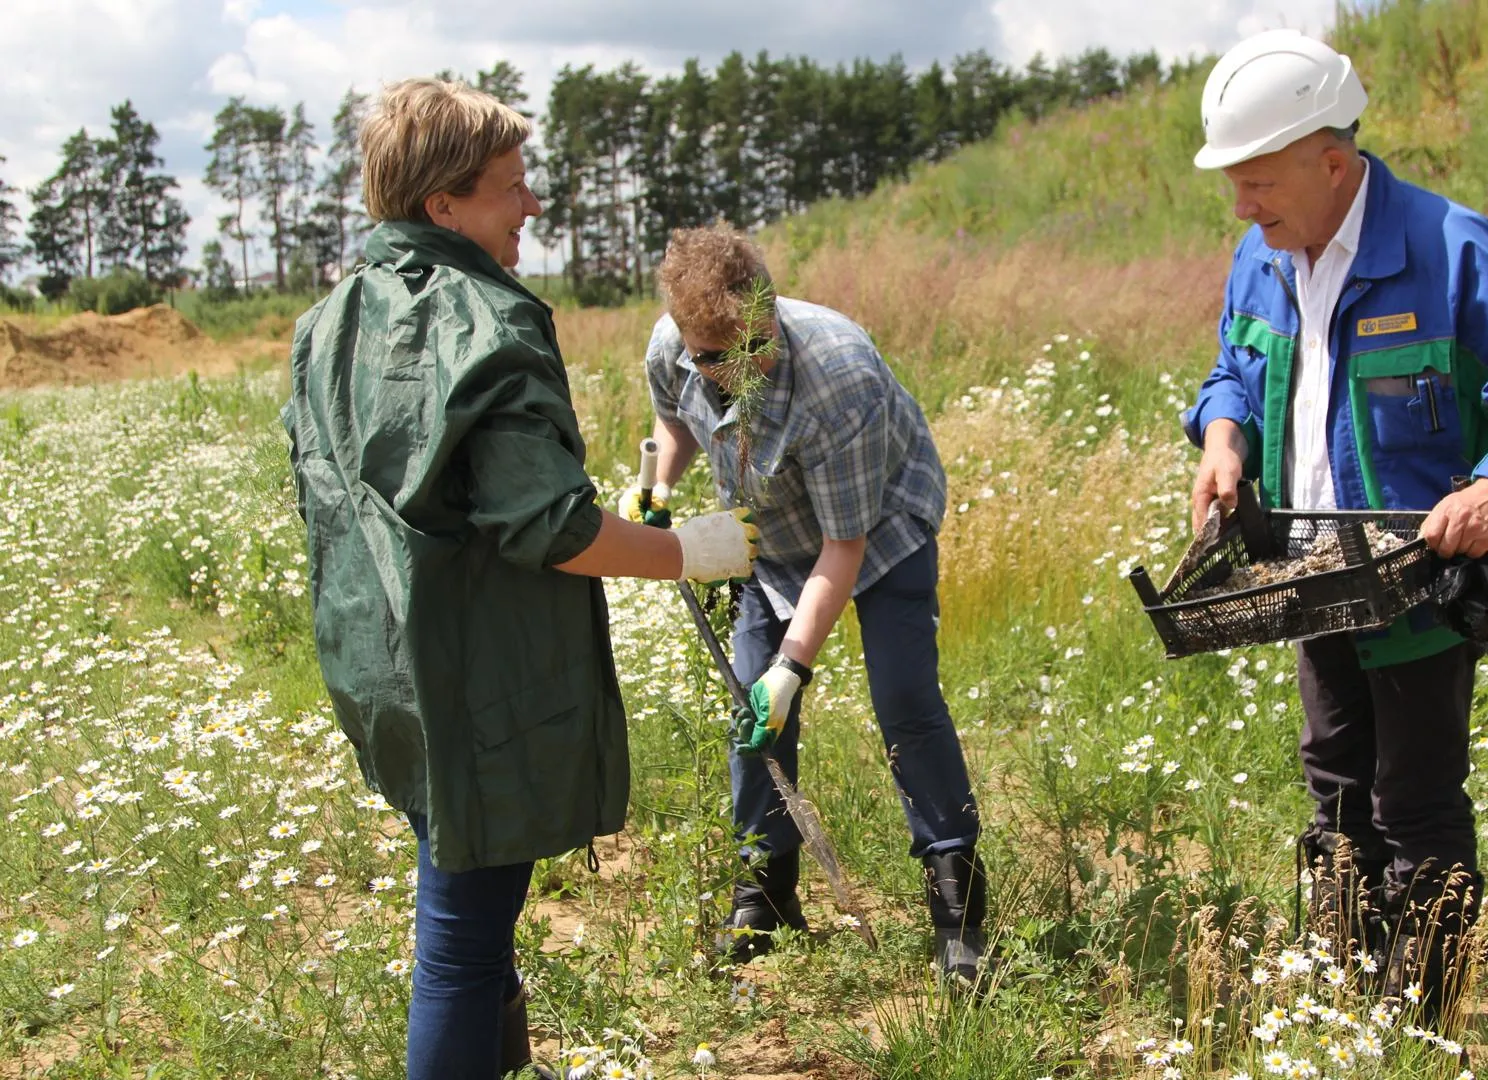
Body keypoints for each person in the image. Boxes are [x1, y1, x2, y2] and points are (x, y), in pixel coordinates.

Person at [280, 79, 758, 1079]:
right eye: (511, 187)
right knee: (461, 935)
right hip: (478, 678)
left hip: (379, 665)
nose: (532, 205)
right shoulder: (484, 322)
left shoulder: (326, 322)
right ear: (441, 205)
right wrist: (689, 549)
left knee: (460, 890)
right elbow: (551, 530)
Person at [1182, 31, 1488, 1028]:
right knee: (1333, 784)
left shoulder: (1451, 249)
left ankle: (1421, 1024)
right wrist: (1223, 435)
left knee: (1414, 797)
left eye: (1258, 182)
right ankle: (1339, 994)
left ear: (1332, 163)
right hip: (1310, 571)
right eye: (1234, 184)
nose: (1242, 206)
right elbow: (1234, 367)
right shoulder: (1262, 254)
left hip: (1419, 580)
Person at [629, 224, 986, 981]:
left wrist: (795, 668)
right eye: (710, 357)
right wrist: (658, 485)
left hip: (880, 524)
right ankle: (764, 890)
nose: (731, 371)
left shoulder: (838, 374)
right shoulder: (673, 346)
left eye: (751, 347)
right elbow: (676, 421)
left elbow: (844, 546)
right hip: (768, 540)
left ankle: (956, 901)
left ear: (770, 310)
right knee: (749, 716)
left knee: (904, 698)